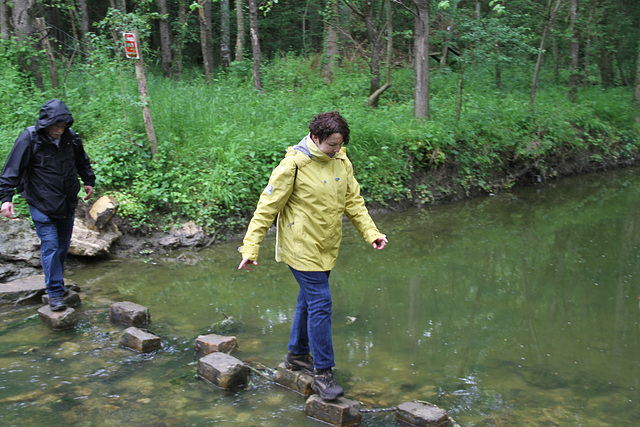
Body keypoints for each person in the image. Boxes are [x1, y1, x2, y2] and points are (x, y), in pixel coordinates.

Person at [238, 111, 388, 400]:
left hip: (326, 244)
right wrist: (250, 248)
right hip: (300, 246)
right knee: (321, 302)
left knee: (308, 300)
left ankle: (296, 356)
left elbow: (353, 201)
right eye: (331, 144)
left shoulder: (341, 160)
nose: (336, 150)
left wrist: (372, 233)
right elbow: (266, 208)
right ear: (315, 138)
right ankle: (323, 373)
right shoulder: (293, 164)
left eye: (339, 144)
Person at [0, 99, 95, 312]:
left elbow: (82, 162)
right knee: (50, 245)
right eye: (55, 126)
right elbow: (11, 170)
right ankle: (54, 293)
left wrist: (88, 180)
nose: (59, 130)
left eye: (62, 126)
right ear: (45, 124)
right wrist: (6, 198)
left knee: (62, 246)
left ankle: (57, 283)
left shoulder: (71, 139)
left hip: (67, 202)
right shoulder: (30, 139)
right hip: (40, 202)